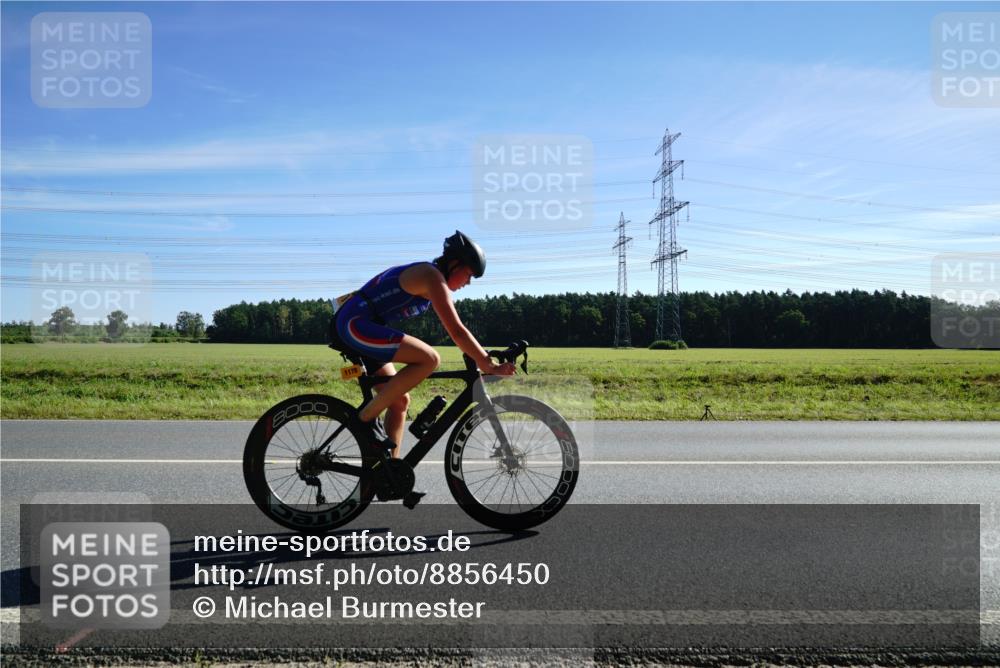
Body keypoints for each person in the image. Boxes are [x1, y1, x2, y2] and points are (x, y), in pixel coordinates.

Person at [328, 230, 516, 457]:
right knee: (430, 359)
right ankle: (364, 420)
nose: (468, 282)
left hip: (363, 324)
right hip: (355, 324)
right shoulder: (432, 276)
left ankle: (388, 474)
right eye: (468, 274)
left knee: (399, 402)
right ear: (454, 264)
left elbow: (457, 331)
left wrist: (482, 357)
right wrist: (489, 365)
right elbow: (456, 331)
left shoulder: (430, 275)